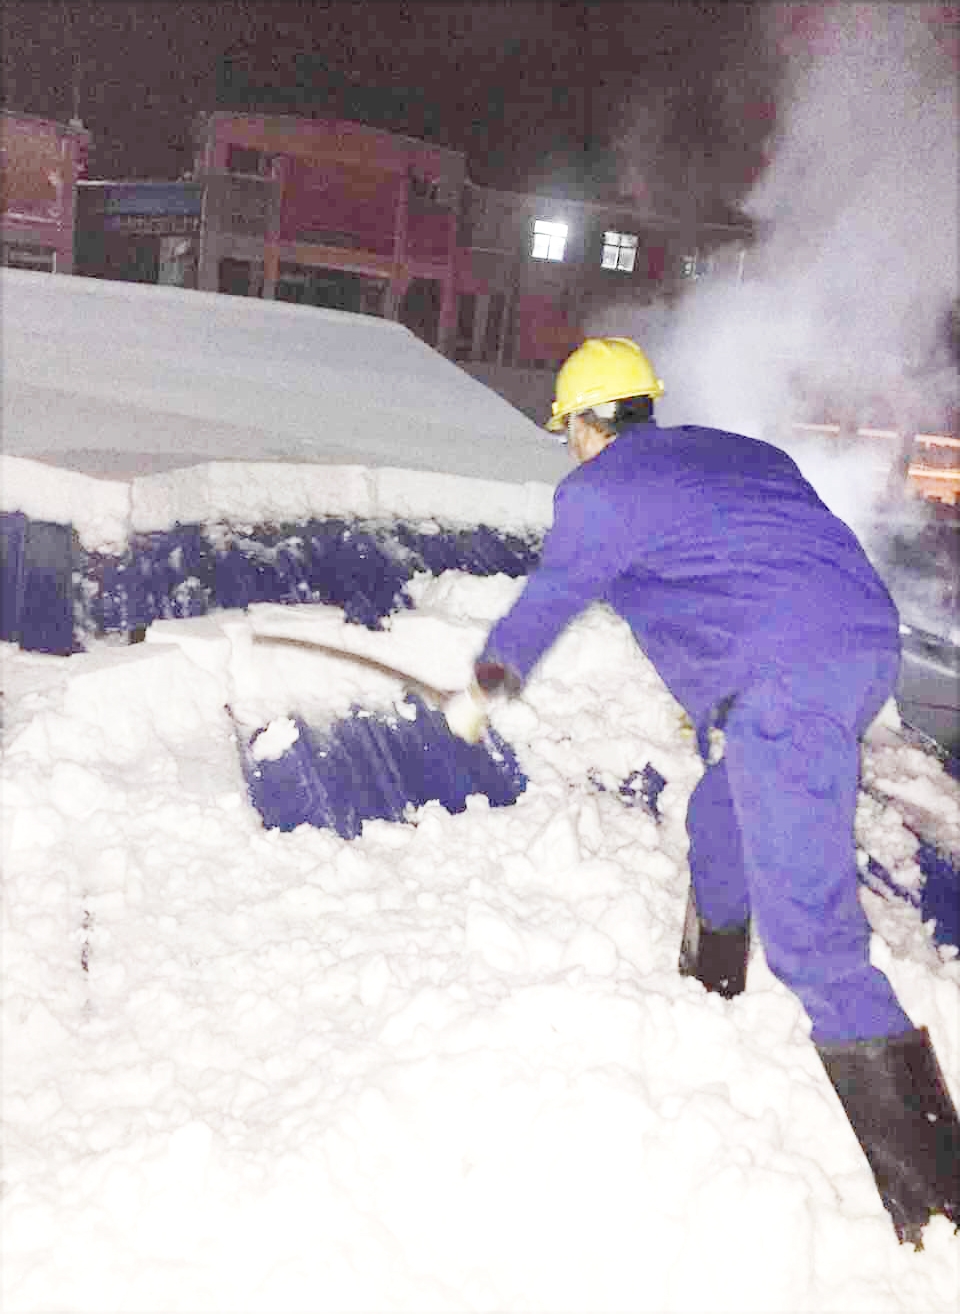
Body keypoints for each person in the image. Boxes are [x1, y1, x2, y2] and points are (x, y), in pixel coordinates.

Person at [446, 337, 959, 1246]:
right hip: (865, 650)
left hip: (785, 685)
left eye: (569, 430)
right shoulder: (744, 453)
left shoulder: (599, 490)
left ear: (589, 427)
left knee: (814, 943)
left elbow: (554, 594)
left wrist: (488, 681)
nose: (570, 445)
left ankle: (939, 1194)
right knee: (720, 816)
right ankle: (709, 990)